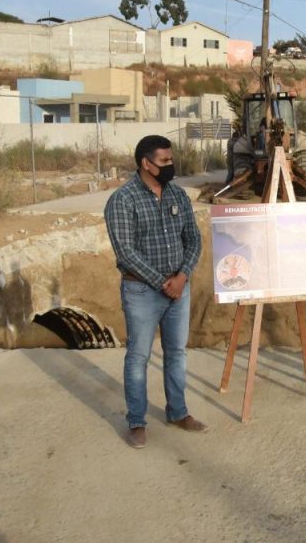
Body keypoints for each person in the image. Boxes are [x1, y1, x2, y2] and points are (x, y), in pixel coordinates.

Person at [104, 135, 207, 449]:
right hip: (141, 292)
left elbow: (194, 239)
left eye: (171, 160)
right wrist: (164, 283)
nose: (170, 166)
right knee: (138, 357)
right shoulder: (123, 200)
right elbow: (125, 251)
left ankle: (178, 412)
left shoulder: (178, 194)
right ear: (144, 164)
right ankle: (136, 421)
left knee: (176, 353)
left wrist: (183, 276)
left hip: (179, 288)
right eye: (164, 162)